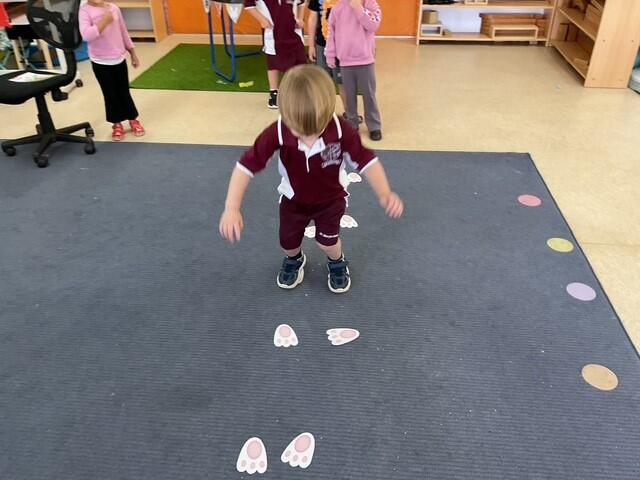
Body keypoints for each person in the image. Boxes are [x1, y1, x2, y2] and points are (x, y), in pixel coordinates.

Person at [219, 65, 403, 294]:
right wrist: (232, 207)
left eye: (316, 131)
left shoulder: (341, 130)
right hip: (293, 199)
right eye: (298, 132)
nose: (308, 138)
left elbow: (367, 161)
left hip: (331, 199)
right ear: (286, 116)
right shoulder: (278, 131)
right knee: (288, 243)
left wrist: (385, 193)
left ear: (327, 114)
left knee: (327, 242)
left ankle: (337, 260)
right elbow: (245, 166)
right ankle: (295, 259)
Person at [79, 0, 144, 141]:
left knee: (124, 91)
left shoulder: (114, 8)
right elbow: (86, 36)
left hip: (119, 58)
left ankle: (133, 119)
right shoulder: (84, 11)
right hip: (100, 61)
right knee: (109, 94)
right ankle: (116, 123)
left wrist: (132, 53)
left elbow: (123, 32)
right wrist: (104, 21)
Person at [325, 0, 382, 141]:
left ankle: (374, 126)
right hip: (346, 62)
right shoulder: (337, 9)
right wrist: (330, 55)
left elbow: (373, 25)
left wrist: (358, 8)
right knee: (349, 96)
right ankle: (352, 124)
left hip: (365, 61)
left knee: (369, 95)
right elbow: (331, 35)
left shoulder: (370, 4)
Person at [244, 0, 307, 109]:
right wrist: (262, 19)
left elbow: (302, 2)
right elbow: (248, 4)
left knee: (299, 64)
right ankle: (274, 92)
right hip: (273, 34)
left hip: (294, 33)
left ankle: (297, 92)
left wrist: (300, 18)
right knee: (273, 63)